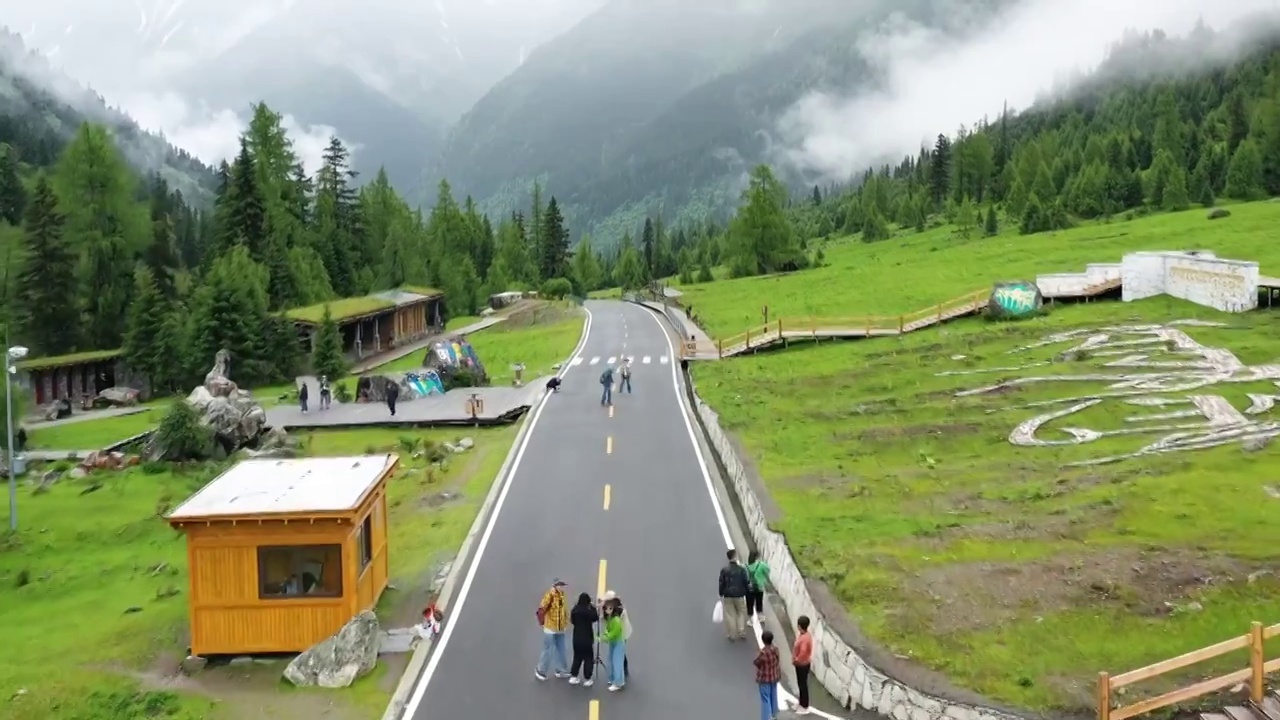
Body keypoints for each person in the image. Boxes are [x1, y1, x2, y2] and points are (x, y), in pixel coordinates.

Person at [534, 578, 570, 681]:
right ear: (556, 586)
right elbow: (541, 609)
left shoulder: (562, 595)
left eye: (563, 585)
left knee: (561, 649)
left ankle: (561, 669)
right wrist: (542, 623)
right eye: (561, 585)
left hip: (560, 628)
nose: (563, 587)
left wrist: (566, 622)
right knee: (548, 650)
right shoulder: (549, 595)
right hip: (550, 628)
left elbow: (564, 610)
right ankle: (540, 670)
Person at [717, 548, 751, 640]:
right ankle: (741, 631)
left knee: (730, 615)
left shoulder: (724, 570)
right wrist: (747, 592)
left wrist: (721, 593)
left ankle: (732, 634)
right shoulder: (741, 570)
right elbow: (746, 581)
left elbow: (721, 582)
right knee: (740, 613)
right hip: (739, 595)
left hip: (727, 595)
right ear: (735, 557)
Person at [569, 592, 598, 687]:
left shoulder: (575, 610)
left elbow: (572, 621)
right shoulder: (588, 611)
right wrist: (593, 607)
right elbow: (595, 617)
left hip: (576, 638)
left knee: (577, 657)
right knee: (588, 658)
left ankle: (573, 676)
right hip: (587, 639)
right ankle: (587, 678)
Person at [601, 590, 632, 679]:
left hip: (621, 634)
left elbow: (612, 620)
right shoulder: (614, 606)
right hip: (618, 633)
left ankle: (621, 671)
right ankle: (620, 670)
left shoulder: (619, 610)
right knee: (618, 652)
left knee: (618, 652)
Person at [599, 597, 627, 691]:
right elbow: (608, 630)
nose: (608, 610)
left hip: (618, 642)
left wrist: (603, 638)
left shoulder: (616, 620)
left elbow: (613, 633)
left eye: (610, 608)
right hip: (613, 642)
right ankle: (613, 679)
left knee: (617, 662)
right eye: (606, 608)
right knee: (611, 660)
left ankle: (618, 683)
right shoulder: (610, 618)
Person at [754, 630, 781, 720]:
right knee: (774, 695)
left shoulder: (763, 654)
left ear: (763, 640)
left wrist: (758, 653)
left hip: (764, 679)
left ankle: (766, 717)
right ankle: (774, 714)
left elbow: (756, 662)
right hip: (774, 676)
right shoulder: (776, 649)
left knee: (765, 698)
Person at [793, 615, 813, 715]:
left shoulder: (804, 638)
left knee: (802, 685)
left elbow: (803, 652)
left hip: (802, 665)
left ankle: (805, 706)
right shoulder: (805, 635)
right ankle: (801, 702)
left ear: (799, 626)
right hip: (802, 664)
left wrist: (796, 660)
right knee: (800, 683)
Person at [746, 550, 771, 624]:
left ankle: (750, 620)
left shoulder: (745, 566)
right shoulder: (762, 565)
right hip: (759, 587)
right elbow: (768, 571)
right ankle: (760, 617)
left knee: (749, 603)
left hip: (749, 588)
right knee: (759, 601)